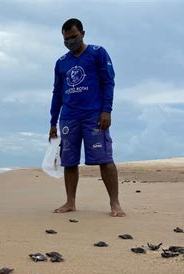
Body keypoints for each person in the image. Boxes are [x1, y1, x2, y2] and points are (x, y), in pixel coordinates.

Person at [48, 18, 125, 217]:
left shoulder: (98, 53)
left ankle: (115, 204)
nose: (70, 41)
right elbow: (57, 93)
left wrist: (106, 110)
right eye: (66, 39)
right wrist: (53, 122)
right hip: (69, 118)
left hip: (94, 116)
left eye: (73, 37)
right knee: (69, 162)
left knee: (105, 159)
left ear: (83, 33)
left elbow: (108, 82)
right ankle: (70, 202)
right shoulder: (61, 63)